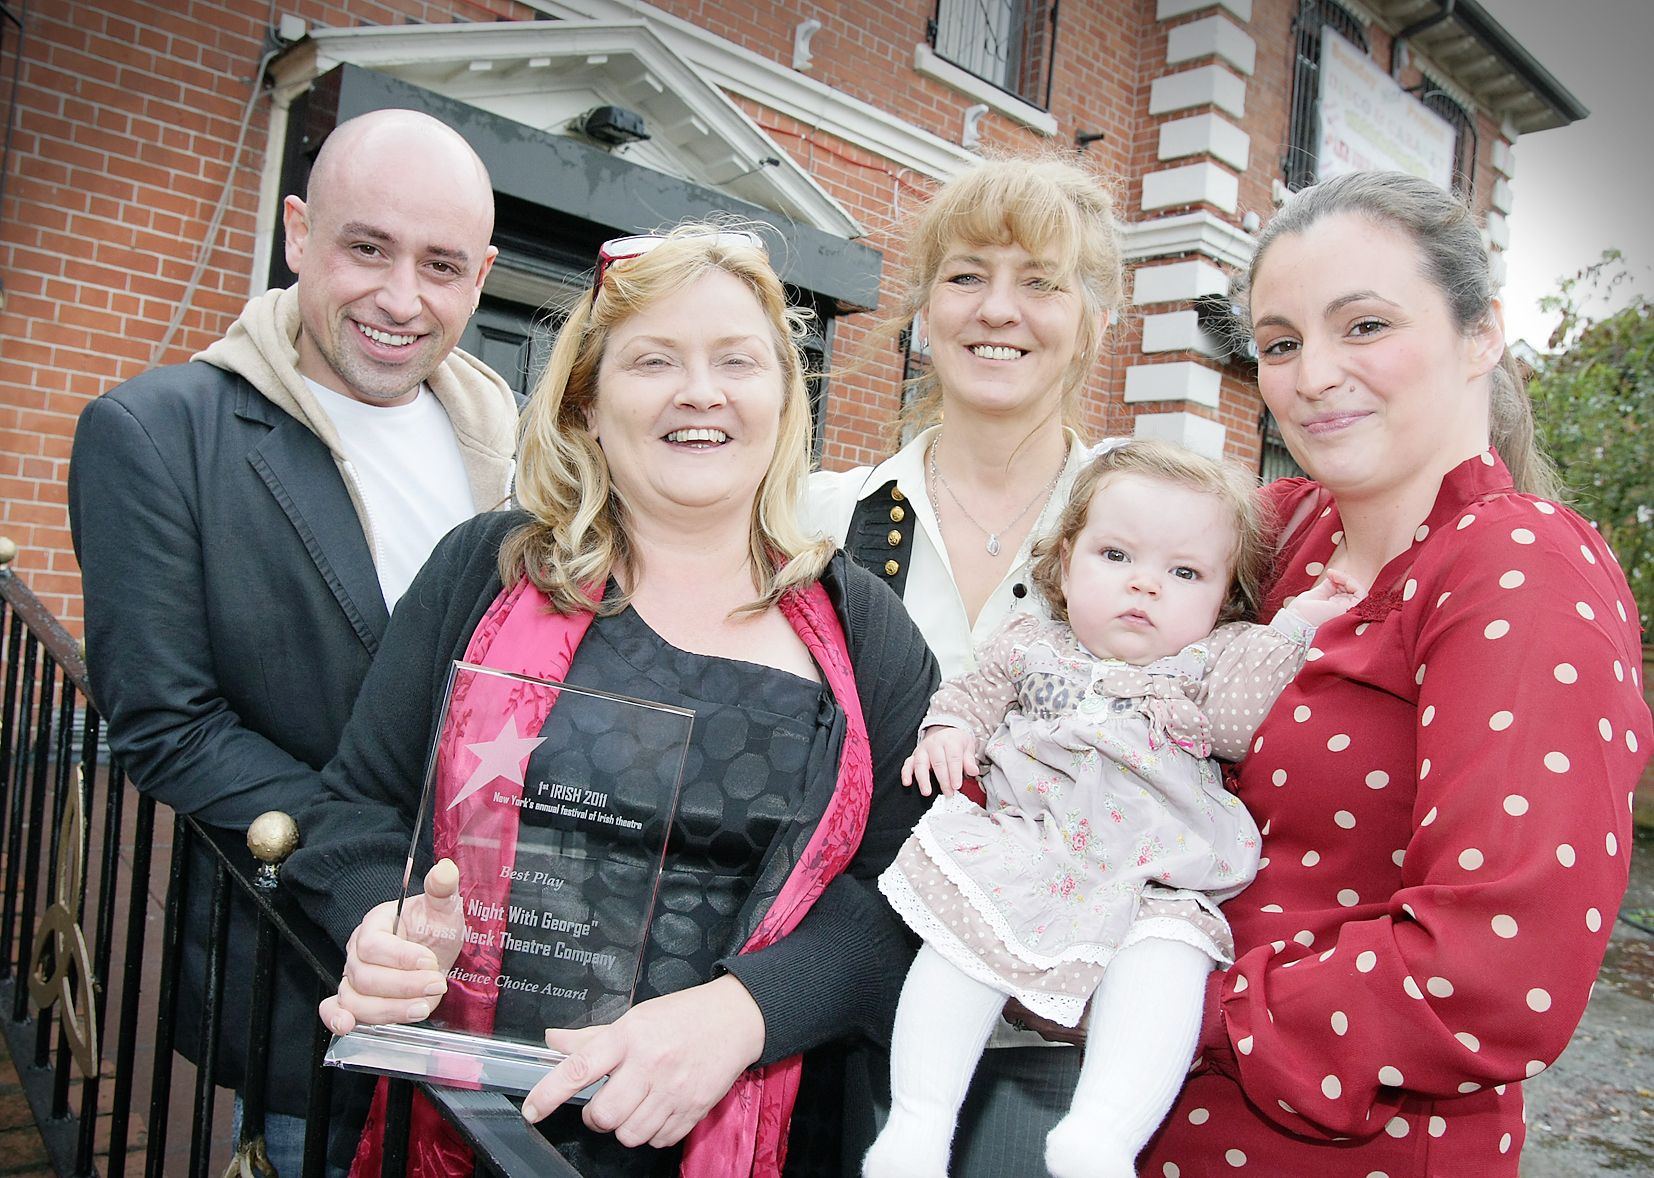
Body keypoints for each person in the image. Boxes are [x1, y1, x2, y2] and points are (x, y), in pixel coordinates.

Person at [280, 226, 939, 1178]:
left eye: (737, 361)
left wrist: (746, 1012)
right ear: (587, 403)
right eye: (654, 360)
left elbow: (919, 895)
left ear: (785, 399)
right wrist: (376, 922)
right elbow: (354, 814)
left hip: (745, 1134)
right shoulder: (486, 572)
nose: (699, 391)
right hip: (470, 1118)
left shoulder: (861, 630)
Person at [1131, 171, 1653, 1176]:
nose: (1312, 373)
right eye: (1279, 342)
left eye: (1362, 325)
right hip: (1151, 1128)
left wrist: (1166, 1004)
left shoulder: (1517, 566)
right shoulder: (1278, 528)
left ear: (1480, 333)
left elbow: (1497, 965)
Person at [66, 109, 519, 1174]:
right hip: (308, 970)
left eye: (441, 265)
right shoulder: (156, 433)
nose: (401, 298)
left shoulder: (520, 442)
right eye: (367, 248)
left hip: (513, 990)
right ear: (296, 233)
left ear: (482, 274)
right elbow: (169, 729)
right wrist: (375, 881)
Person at [862, 440, 1361, 1178]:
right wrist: (949, 730)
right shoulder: (1032, 644)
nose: (1146, 587)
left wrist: (1297, 628)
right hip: (1028, 853)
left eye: (1184, 572)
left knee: (1174, 966)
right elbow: (971, 692)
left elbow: (1246, 717)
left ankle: (1102, 1134)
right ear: (1065, 562)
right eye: (1117, 555)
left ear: (1224, 599)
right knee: (962, 943)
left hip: (1152, 881)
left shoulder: (1211, 659)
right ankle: (917, 1126)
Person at [806, 151, 1124, 1171]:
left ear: (1094, 320)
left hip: (1054, 1050)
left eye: (1040, 280)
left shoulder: (1157, 535)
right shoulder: (821, 520)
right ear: (922, 309)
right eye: (966, 275)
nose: (999, 309)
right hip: (837, 1023)